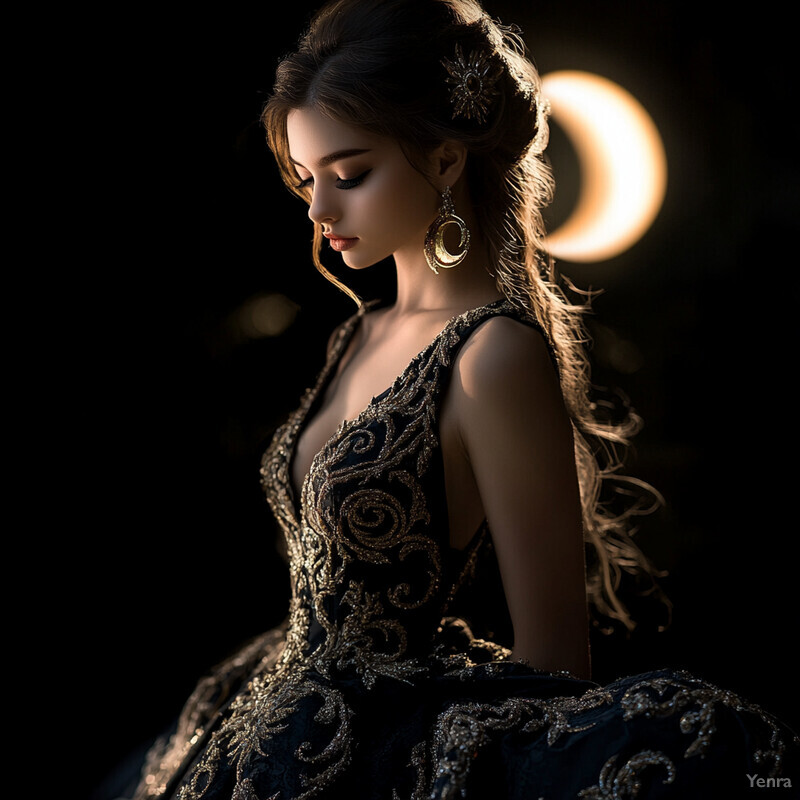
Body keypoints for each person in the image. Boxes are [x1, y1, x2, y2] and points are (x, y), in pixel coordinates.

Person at [128, 1, 799, 797]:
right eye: (308, 180)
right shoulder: (358, 332)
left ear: (447, 161)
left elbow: (554, 662)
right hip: (268, 718)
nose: (319, 210)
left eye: (349, 175)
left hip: (375, 752)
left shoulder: (494, 355)